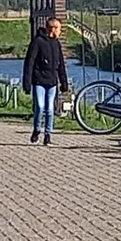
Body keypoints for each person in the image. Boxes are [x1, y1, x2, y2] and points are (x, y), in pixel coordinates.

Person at [22, 17, 69, 145]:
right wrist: (27, 81)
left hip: (52, 81)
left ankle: (48, 133)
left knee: (49, 109)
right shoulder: (38, 42)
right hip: (39, 80)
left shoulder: (56, 43)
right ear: (53, 29)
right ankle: (37, 129)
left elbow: (61, 64)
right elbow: (29, 62)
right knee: (40, 106)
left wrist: (64, 81)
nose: (60, 31)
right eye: (59, 28)